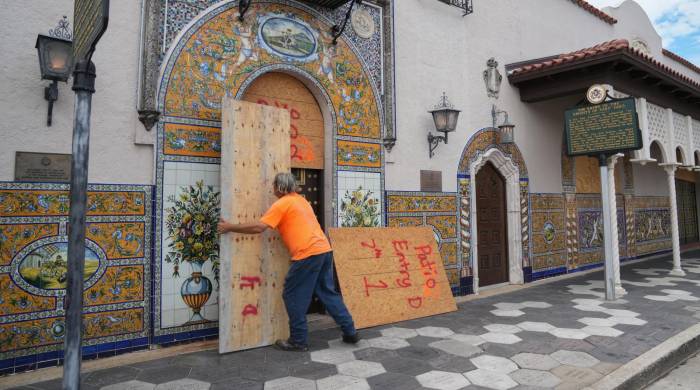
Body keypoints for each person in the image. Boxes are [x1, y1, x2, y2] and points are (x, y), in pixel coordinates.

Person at [217, 172, 359, 352]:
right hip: (324, 250)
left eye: (274, 186)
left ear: (279, 187)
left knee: (292, 295)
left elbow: (258, 227)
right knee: (327, 292)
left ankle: (298, 340)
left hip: (307, 254)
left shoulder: (282, 204)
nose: (272, 189)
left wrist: (229, 227)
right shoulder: (301, 200)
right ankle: (350, 331)